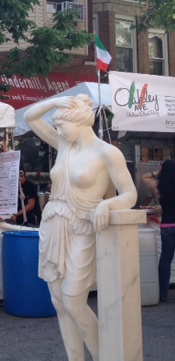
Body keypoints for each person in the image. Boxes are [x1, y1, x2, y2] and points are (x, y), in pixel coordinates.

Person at [24, 94, 136, 361]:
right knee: (60, 303)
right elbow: (30, 117)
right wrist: (56, 103)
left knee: (74, 301)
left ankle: (103, 357)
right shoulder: (65, 145)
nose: (58, 131)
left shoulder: (107, 153)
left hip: (82, 229)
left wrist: (106, 205)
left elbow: (130, 194)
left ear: (79, 122)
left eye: (62, 125)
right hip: (53, 224)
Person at [141, 160, 175, 302]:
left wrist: (157, 172)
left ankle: (162, 294)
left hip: (167, 226)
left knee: (166, 260)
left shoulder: (158, 187)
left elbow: (144, 177)